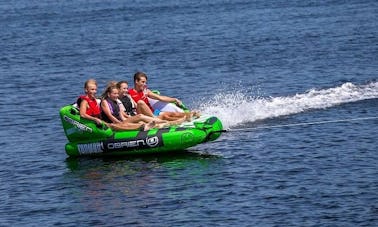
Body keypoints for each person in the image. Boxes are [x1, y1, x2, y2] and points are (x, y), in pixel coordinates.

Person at [77, 79, 155, 131]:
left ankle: (149, 125)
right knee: (116, 125)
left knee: (124, 123)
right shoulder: (85, 101)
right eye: (92, 89)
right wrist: (95, 119)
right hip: (93, 125)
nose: (94, 91)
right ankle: (142, 127)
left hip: (101, 122)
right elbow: (82, 114)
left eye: (95, 89)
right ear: (86, 90)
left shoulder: (94, 100)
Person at [128, 72, 199, 122]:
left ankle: (190, 115)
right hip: (145, 115)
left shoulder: (146, 91)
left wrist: (174, 99)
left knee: (169, 113)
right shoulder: (129, 93)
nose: (145, 84)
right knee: (165, 116)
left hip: (154, 112)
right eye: (143, 82)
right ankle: (184, 119)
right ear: (136, 81)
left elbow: (160, 98)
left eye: (145, 82)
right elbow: (135, 106)